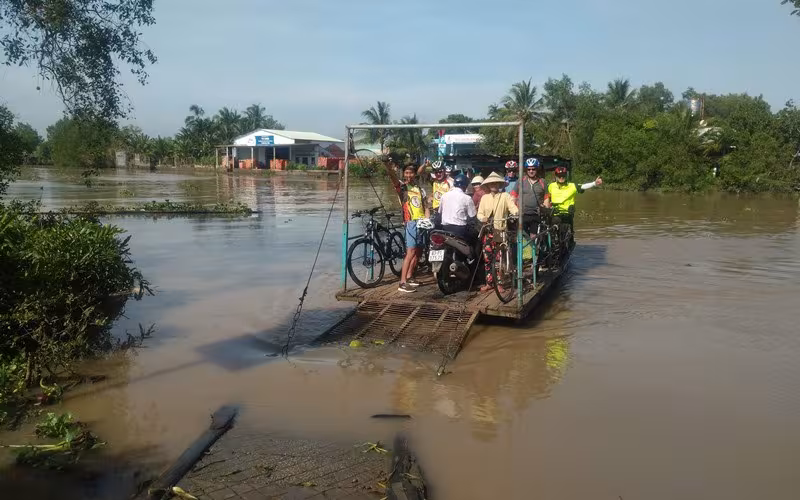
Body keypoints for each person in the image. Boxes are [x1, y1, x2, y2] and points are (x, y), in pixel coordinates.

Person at [384, 161, 430, 293]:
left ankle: (410, 276)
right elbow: (393, 178)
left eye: (411, 173)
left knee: (418, 251)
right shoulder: (402, 188)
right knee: (410, 252)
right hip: (410, 223)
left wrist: (427, 219)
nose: (408, 175)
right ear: (404, 174)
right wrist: (388, 167)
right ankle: (402, 282)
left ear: (415, 174)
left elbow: (426, 207)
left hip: (421, 223)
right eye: (406, 173)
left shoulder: (420, 189)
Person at [476, 172, 519, 292]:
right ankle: (489, 282)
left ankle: (500, 283)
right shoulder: (485, 198)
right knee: (488, 258)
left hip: (500, 231)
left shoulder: (505, 196)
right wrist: (483, 218)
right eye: (491, 183)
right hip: (488, 231)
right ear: (488, 186)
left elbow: (512, 207)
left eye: (496, 183)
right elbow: (479, 213)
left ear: (499, 184)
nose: (494, 185)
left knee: (500, 259)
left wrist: (516, 213)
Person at [547, 166, 602, 241]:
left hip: (567, 213)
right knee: (552, 231)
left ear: (566, 176)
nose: (561, 178)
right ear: (556, 176)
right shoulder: (551, 186)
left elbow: (583, 186)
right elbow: (544, 196)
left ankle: (568, 243)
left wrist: (594, 183)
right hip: (555, 213)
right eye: (559, 176)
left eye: (563, 176)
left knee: (567, 233)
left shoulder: (572, 186)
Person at [511, 157, 551, 237]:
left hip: (536, 215)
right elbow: (513, 196)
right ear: (526, 170)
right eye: (529, 169)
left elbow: (546, 198)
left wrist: (546, 209)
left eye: (533, 169)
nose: (531, 171)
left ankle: (537, 249)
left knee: (533, 238)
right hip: (522, 214)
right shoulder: (520, 181)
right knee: (522, 238)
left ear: (537, 169)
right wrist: (513, 210)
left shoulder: (542, 182)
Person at [438, 174, 476, 240]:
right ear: (465, 185)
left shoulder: (444, 196)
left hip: (445, 229)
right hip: (460, 230)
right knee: (475, 238)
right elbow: (472, 216)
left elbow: (439, 212)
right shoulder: (467, 198)